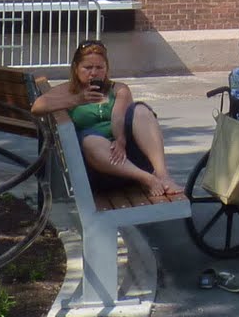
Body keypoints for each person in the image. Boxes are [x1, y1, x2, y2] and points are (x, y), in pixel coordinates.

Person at [32, 39, 186, 199]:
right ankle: (147, 179)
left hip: (125, 156)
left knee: (140, 110)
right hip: (98, 167)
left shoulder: (118, 89)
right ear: (76, 68)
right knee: (90, 140)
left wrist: (120, 140)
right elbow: (37, 107)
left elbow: (118, 116)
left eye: (99, 67)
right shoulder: (69, 90)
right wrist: (78, 100)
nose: (93, 73)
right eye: (87, 68)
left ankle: (162, 175)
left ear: (106, 69)